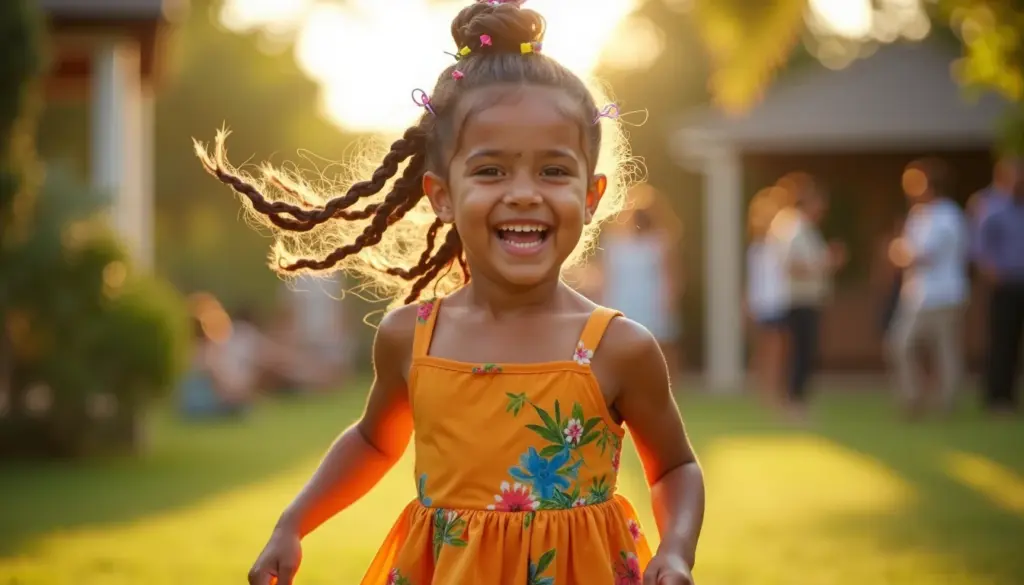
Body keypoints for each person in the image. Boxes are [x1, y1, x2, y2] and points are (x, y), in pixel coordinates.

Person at [195, 2, 705, 584]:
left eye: (553, 172)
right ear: (440, 194)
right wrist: (294, 522)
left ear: (590, 197)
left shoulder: (619, 348)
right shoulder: (411, 338)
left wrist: (676, 549)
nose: (523, 194)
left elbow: (675, 468)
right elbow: (371, 441)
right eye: (490, 171)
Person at [886, 159, 969, 417]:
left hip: (945, 295)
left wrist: (901, 253)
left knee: (945, 351)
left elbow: (921, 255)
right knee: (899, 344)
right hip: (917, 295)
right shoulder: (918, 216)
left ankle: (945, 404)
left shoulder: (948, 216)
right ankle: (914, 398)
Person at [768, 172, 846, 421]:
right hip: (800, 300)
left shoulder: (802, 227)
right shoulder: (795, 227)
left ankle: (797, 401)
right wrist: (827, 262)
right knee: (800, 352)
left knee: (804, 352)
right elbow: (792, 264)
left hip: (806, 300)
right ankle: (794, 403)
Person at [600, 204, 684, 376]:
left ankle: (668, 389)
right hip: (623, 303)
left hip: (653, 305)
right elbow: (606, 277)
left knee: (663, 350)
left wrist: (669, 302)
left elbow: (672, 276)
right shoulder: (615, 244)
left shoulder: (660, 243)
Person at [976, 158, 1024, 416]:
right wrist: (993, 274)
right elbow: (981, 248)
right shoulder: (992, 209)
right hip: (1004, 286)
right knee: (1001, 343)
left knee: (1017, 345)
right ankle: (997, 398)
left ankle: (1013, 397)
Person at [745, 188, 787, 408]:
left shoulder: (780, 245)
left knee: (777, 351)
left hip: (778, 303)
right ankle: (764, 393)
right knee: (763, 351)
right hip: (761, 305)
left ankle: (775, 391)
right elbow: (754, 280)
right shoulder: (756, 248)